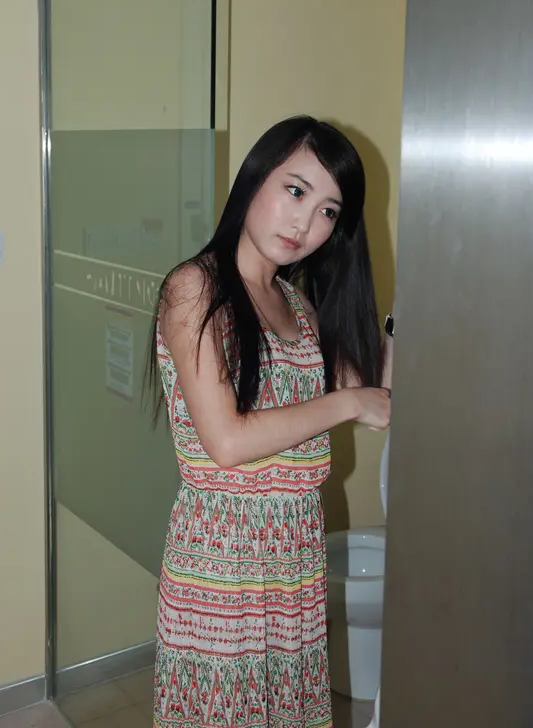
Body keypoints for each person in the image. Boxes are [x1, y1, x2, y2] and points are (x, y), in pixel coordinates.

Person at [149, 116, 391, 728]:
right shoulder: (193, 289)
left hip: (295, 558)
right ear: (255, 178)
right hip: (223, 564)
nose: (306, 224)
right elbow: (227, 441)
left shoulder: (297, 304)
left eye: (329, 211)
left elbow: (369, 392)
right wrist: (352, 404)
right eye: (296, 191)